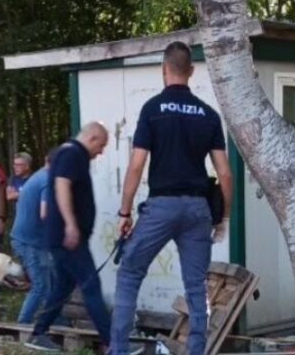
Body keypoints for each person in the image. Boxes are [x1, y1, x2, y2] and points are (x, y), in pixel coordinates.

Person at [110, 42, 233, 355]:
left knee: (129, 274)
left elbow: (136, 165)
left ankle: (119, 350)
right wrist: (224, 218)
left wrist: (125, 213)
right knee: (196, 286)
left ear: (163, 69)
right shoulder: (208, 115)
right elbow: (225, 174)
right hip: (198, 209)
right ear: (190, 71)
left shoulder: (152, 109)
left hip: (161, 207)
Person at [25, 123, 111, 352]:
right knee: (91, 285)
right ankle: (113, 343)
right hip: (68, 239)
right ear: (92, 138)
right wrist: (71, 225)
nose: (101, 151)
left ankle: (38, 333)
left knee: (62, 288)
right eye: (101, 145)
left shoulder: (70, 153)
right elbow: (62, 186)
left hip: (65, 237)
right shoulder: (73, 154)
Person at [11, 151, 54, 325]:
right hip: (29, 242)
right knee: (40, 285)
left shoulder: (39, 176)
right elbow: (45, 213)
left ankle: (55, 320)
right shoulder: (48, 181)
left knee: (47, 282)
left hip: (31, 240)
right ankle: (23, 323)